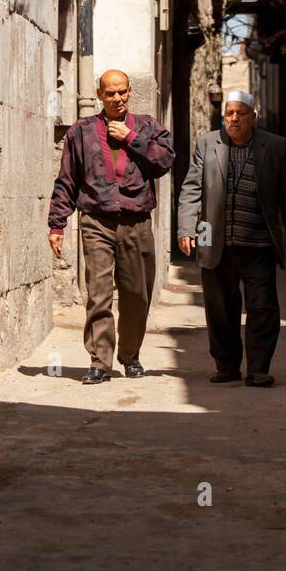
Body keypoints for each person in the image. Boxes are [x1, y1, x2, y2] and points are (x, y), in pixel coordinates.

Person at [48, 70, 174, 384]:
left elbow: (165, 161)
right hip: (96, 221)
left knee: (135, 294)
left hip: (136, 221)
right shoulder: (81, 132)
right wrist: (57, 223)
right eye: (109, 93)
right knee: (99, 293)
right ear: (100, 94)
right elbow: (67, 179)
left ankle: (131, 356)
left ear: (130, 92)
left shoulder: (146, 127)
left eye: (121, 92)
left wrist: (131, 139)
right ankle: (100, 362)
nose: (116, 98)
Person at [177, 91, 286, 387]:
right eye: (229, 113)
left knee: (262, 309)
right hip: (216, 243)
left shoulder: (274, 146)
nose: (233, 118)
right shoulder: (207, 143)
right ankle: (227, 366)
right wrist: (185, 229)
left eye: (240, 113)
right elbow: (191, 189)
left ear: (253, 117)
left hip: (259, 245)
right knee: (220, 310)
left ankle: (258, 368)